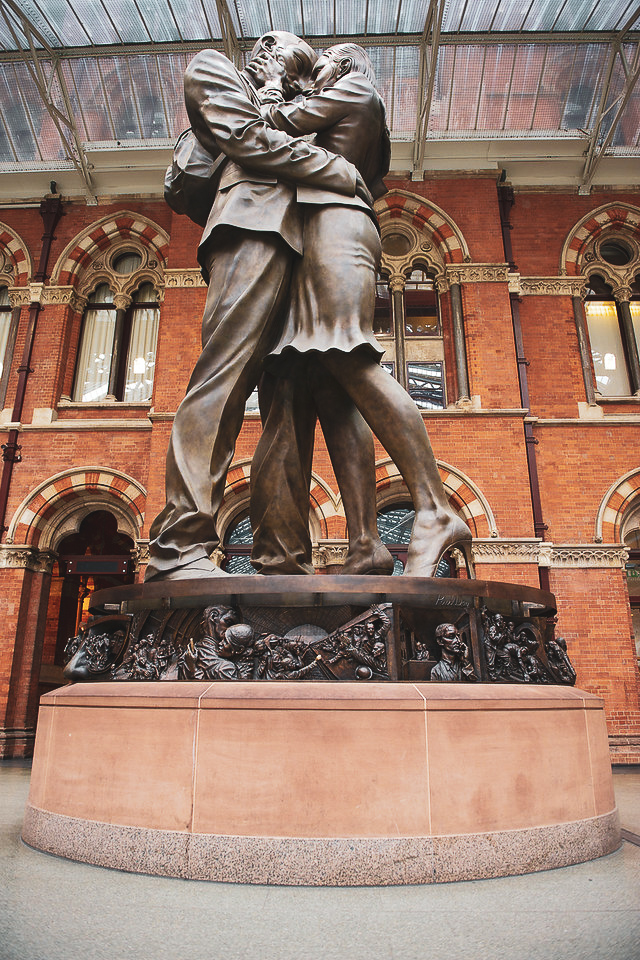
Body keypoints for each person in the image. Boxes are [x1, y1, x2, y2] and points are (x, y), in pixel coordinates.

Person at [144, 33, 382, 582]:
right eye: (276, 56)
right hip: (249, 227)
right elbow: (249, 138)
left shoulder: (296, 106)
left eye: (295, 71)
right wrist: (335, 171)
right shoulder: (215, 71)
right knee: (223, 375)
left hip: (304, 246)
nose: (278, 68)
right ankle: (179, 545)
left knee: (290, 403)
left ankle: (282, 558)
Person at [249, 44, 472, 578]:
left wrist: (277, 80)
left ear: (342, 65)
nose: (315, 71)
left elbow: (269, 125)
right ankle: (366, 543)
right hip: (322, 231)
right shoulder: (352, 107)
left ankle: (435, 508)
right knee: (331, 380)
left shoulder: (354, 88)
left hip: (335, 228)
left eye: (321, 63)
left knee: (350, 357)